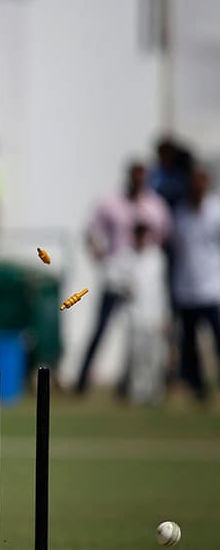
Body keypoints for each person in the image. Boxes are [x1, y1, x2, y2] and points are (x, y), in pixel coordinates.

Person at [74, 162, 171, 395]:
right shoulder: (111, 202)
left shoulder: (155, 206)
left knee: (143, 334)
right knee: (101, 328)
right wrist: (100, 256)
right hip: (117, 273)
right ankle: (81, 381)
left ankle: (142, 386)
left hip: (143, 277)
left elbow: (165, 236)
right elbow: (91, 231)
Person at [169, 169, 220, 403]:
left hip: (212, 289)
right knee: (189, 345)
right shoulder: (179, 214)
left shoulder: (215, 211)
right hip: (186, 290)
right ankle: (198, 388)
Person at [107, 223, 170, 404]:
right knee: (137, 358)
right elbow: (110, 277)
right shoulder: (125, 257)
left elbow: (162, 289)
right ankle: (137, 394)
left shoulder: (157, 257)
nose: (141, 239)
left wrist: (165, 314)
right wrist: (124, 286)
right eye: (138, 235)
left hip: (155, 316)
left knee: (155, 357)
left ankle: (154, 394)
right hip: (134, 316)